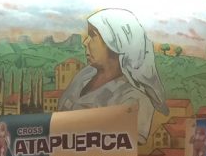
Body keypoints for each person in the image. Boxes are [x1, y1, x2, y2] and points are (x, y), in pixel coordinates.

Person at [58, 8, 168, 142]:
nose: (85, 42)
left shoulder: (135, 99)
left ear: (115, 43)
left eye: (93, 35)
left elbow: (120, 148)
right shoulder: (84, 76)